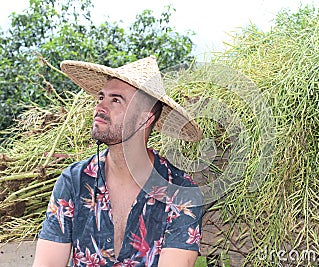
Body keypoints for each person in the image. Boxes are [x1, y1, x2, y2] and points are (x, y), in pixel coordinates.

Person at [33, 56, 203, 267]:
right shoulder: (75, 181)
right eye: (101, 98)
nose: (100, 108)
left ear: (145, 118)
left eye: (115, 100)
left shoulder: (181, 192)